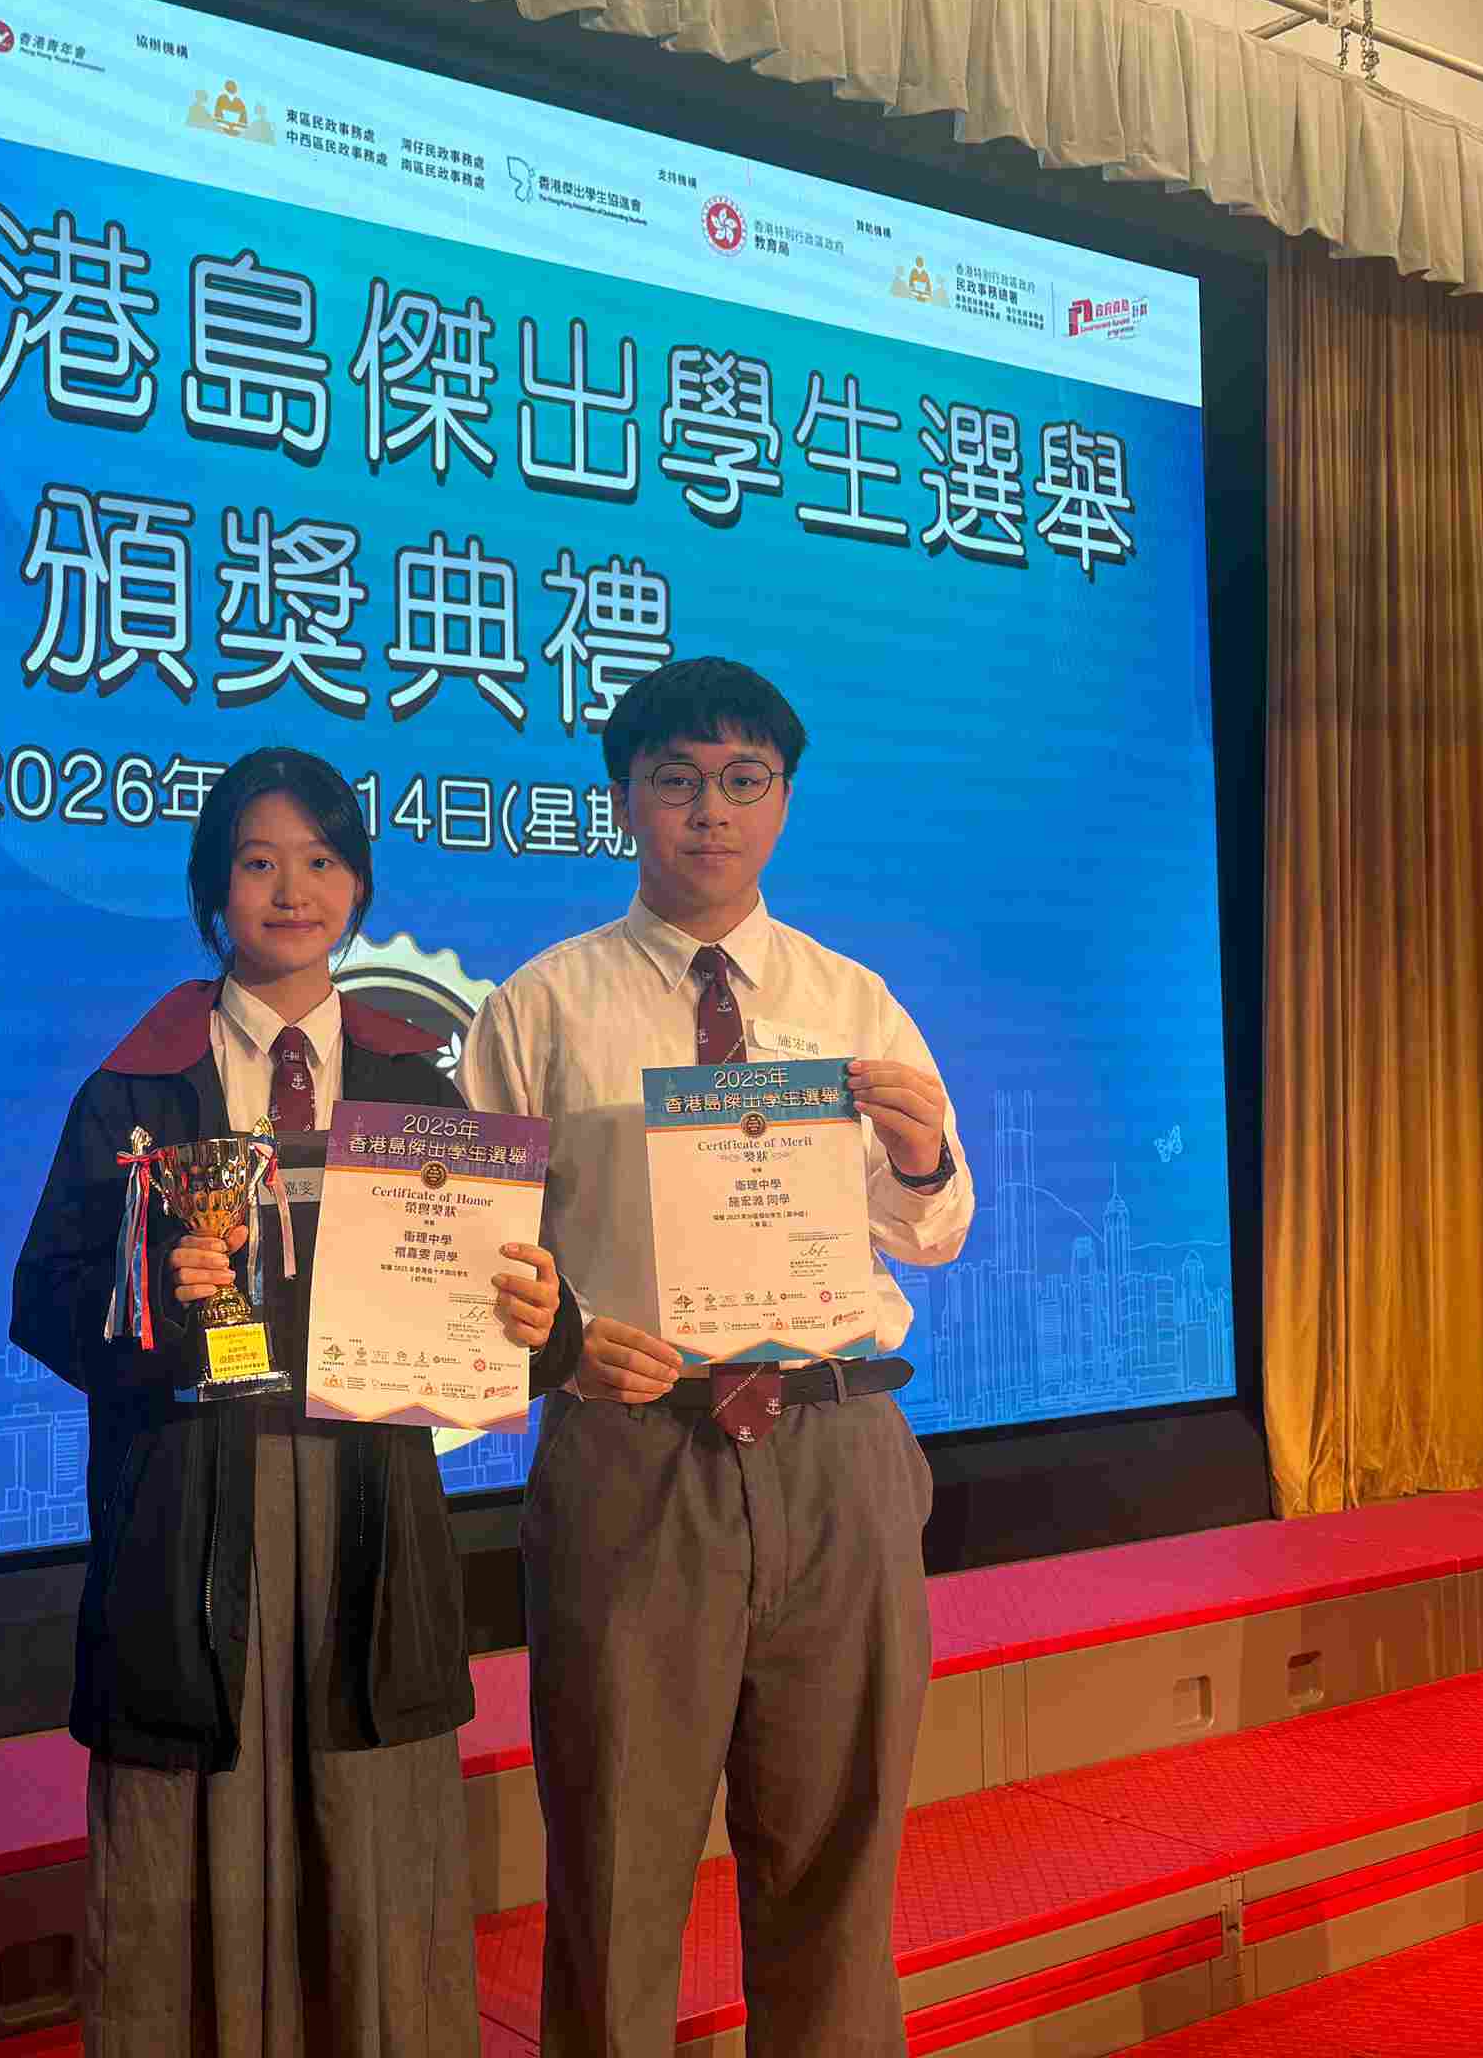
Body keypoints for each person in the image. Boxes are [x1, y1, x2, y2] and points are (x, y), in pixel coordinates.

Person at [13, 745, 580, 2058]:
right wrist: (152, 1293)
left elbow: (511, 1306)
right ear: (211, 890)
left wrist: (544, 1323)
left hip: (367, 1510)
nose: (291, 890)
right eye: (257, 862)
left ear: (358, 887)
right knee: (179, 1871)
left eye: (321, 861)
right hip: (189, 1513)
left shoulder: (415, 1085)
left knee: (379, 1861)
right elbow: (44, 1300)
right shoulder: (137, 1087)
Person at [458, 658, 974, 2056]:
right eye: (676, 780)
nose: (710, 810)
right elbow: (471, 1254)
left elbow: (933, 1230)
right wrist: (566, 1350)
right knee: (616, 1860)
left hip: (838, 1447)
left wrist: (921, 1154)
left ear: (783, 802)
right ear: (624, 799)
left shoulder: (852, 999)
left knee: (837, 1858)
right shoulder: (541, 1006)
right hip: (638, 1453)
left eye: (744, 781)